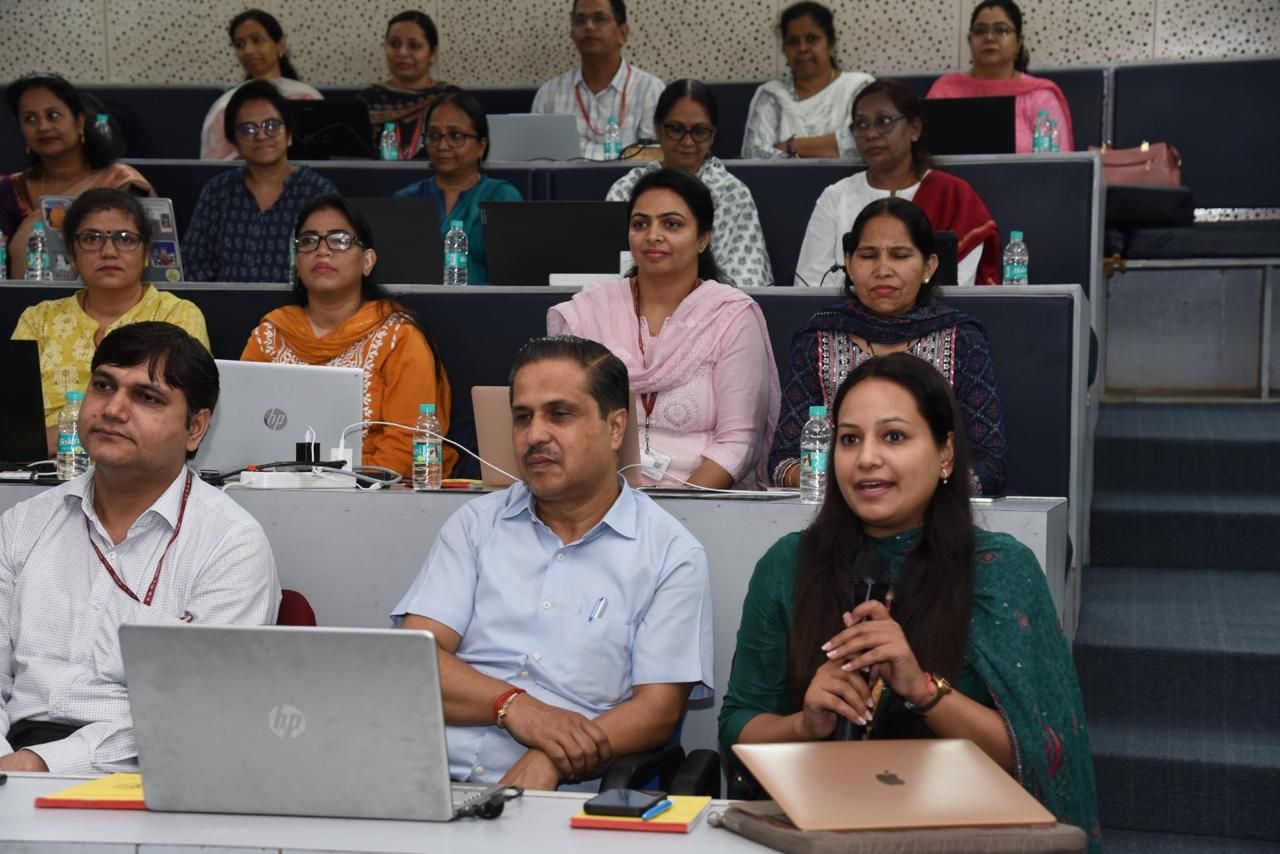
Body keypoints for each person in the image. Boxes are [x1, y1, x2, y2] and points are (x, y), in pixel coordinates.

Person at [720, 352, 1100, 851]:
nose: (867, 458)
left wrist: (923, 690)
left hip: (962, 834)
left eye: (893, 436)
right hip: (819, 830)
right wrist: (806, 723)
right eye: (850, 439)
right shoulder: (790, 565)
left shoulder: (999, 571)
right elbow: (737, 729)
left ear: (945, 454)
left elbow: (1041, 755)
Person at [393, 335, 713, 789]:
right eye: (523, 417)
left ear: (615, 428)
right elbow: (415, 659)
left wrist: (551, 760)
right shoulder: (476, 526)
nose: (535, 434)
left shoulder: (669, 553)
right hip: (428, 780)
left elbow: (658, 713)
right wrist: (515, 708)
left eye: (559, 414)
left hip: (562, 801)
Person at [0, 321, 280, 775]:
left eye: (146, 397)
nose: (113, 409)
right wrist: (6, 763)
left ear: (196, 428)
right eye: (104, 386)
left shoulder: (230, 544)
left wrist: (42, 762)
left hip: (143, 773)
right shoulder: (24, 523)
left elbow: (198, 707)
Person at [549, 169, 780, 490]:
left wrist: (677, 511)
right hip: (598, 501)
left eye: (671, 224)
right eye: (640, 223)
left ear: (703, 238)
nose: (653, 235)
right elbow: (561, 421)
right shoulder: (592, 309)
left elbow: (740, 441)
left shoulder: (729, 315)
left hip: (701, 504)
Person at [770, 197, 1006, 494]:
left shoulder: (963, 340)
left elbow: (991, 464)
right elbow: (782, 462)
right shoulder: (816, 339)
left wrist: (912, 489)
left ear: (928, 266)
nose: (883, 269)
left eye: (900, 255)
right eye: (868, 255)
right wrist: (848, 485)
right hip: (833, 513)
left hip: (934, 517)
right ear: (849, 265)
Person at [240, 193, 455, 478]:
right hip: (275, 487)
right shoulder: (270, 336)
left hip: (373, 495)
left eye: (339, 240)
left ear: (367, 261)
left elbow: (408, 446)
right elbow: (243, 430)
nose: (322, 250)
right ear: (296, 262)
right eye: (308, 241)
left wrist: (341, 482)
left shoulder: (398, 338)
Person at [12, 189, 210, 455]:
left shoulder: (177, 315)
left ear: (147, 251)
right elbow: (14, 429)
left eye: (125, 239)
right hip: (39, 471)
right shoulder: (39, 319)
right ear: (71, 252)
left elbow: (180, 417)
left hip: (141, 469)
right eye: (91, 238)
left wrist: (62, 436)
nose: (108, 251)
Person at [794, 79, 1002, 288]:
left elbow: (959, 285)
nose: (871, 134)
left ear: (914, 129)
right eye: (861, 125)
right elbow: (809, 284)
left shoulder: (953, 195)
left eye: (884, 121)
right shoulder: (835, 196)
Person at [605, 80, 773, 288]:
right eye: (676, 129)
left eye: (699, 131)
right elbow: (608, 276)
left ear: (712, 136)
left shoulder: (732, 193)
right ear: (658, 130)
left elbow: (748, 282)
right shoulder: (626, 189)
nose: (687, 141)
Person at [2, 73, 154, 279]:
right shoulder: (9, 191)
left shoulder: (121, 183)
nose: (43, 126)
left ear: (79, 121)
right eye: (30, 118)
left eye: (53, 115)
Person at [183, 81, 337, 283]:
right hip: (221, 310)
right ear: (235, 142)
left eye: (271, 126)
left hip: (299, 310)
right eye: (248, 129)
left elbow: (333, 264)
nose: (261, 136)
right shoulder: (218, 192)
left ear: (289, 135)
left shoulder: (318, 193)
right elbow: (192, 263)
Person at [392, 87, 522, 285]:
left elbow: (516, 275)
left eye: (456, 136)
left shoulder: (502, 197)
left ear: (481, 145)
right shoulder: (406, 199)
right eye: (434, 136)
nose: (442, 146)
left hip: (489, 308)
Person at [926, 0, 1074, 154]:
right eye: (980, 30)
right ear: (970, 41)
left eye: (1001, 30)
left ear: (1018, 42)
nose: (989, 37)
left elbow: (1057, 167)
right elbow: (923, 158)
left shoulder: (1040, 98)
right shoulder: (945, 90)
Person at [531, 0, 664, 160]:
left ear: (622, 33)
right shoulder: (549, 95)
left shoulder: (650, 90)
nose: (589, 27)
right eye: (580, 20)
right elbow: (538, 161)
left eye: (599, 19)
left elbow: (653, 163)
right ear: (572, 33)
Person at [741, 2, 874, 160]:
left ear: (830, 44)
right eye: (793, 41)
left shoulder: (859, 87)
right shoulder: (772, 95)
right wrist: (831, 146)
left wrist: (791, 146)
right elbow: (754, 155)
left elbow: (867, 141)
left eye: (812, 39)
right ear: (784, 49)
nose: (802, 48)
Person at [200, 9, 323, 160]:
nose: (248, 50)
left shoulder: (307, 99)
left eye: (257, 40)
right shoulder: (225, 108)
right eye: (240, 44)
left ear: (280, 44)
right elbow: (215, 168)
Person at [357, 10, 445, 160]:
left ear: (433, 53)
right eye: (394, 44)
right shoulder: (367, 101)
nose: (402, 52)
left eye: (414, 46)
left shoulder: (448, 100)